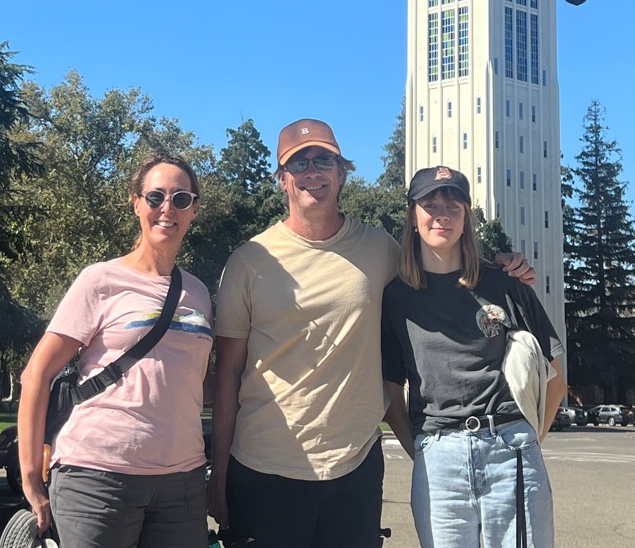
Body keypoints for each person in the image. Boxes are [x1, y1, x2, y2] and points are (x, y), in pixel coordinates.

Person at [207, 119, 535, 548]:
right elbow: (228, 374)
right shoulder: (249, 261)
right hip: (264, 467)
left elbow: (444, 263)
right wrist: (219, 475)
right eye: (299, 163)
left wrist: (502, 268)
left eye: (324, 160)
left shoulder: (380, 249)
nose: (312, 172)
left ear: (342, 172)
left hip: (355, 471)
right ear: (282, 178)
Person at [18, 152, 213, 548]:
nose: (167, 208)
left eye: (180, 199)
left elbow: (195, 382)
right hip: (97, 478)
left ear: (194, 209)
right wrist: (30, 478)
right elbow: (36, 373)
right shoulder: (101, 280)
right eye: (155, 197)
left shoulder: (199, 292)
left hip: (182, 483)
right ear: (136, 202)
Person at [381, 165, 566, 548]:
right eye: (430, 205)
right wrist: (423, 452)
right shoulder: (395, 298)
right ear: (413, 217)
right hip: (438, 459)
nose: (442, 215)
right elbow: (391, 394)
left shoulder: (506, 284)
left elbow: (556, 381)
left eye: (454, 205)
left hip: (511, 450)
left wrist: (528, 442)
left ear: (467, 217)